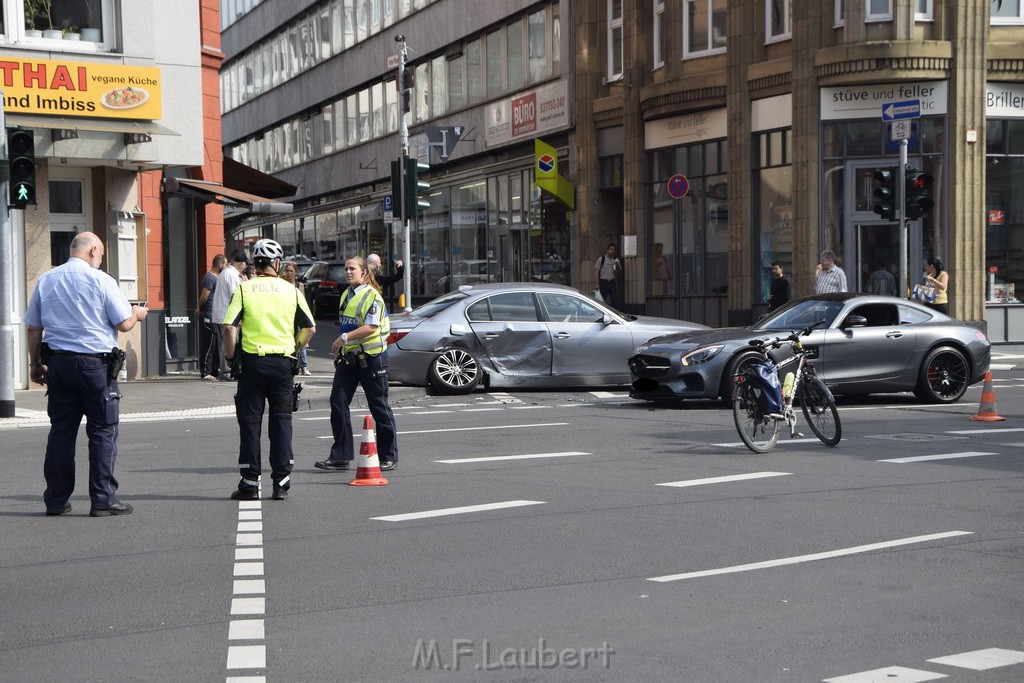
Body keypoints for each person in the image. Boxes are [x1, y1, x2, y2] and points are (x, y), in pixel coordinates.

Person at [24, 232, 149, 517]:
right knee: (103, 432)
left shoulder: (46, 279)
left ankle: (56, 500)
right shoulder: (102, 280)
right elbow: (123, 324)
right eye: (101, 254)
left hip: (59, 365)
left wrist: (35, 364)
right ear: (93, 250)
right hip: (96, 368)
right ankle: (103, 499)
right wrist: (136, 314)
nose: (100, 259)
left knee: (61, 432)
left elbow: (33, 328)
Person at [223, 239, 316, 501]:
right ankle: (281, 482)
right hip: (282, 364)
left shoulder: (244, 289)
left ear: (255, 263)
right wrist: (295, 348)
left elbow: (229, 327)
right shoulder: (292, 291)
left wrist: (230, 358)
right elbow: (310, 327)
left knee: (251, 423)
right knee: (281, 421)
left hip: (253, 364)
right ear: (276, 263)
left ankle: (250, 483)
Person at [315, 256, 399, 473]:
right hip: (350, 358)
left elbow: (370, 328)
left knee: (379, 406)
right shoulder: (346, 294)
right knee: (337, 402)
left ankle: (388, 455)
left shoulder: (372, 296)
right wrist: (341, 349)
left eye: (352, 268)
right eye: (346, 269)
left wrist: (342, 340)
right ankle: (341, 456)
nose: (348, 272)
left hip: (372, 358)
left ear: (364, 272)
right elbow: (346, 326)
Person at [210, 250, 247, 380]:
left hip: (221, 314)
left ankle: (225, 371)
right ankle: (226, 371)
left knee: (223, 344)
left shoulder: (225, 272)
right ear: (241, 264)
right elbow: (236, 295)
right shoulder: (232, 274)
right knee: (228, 343)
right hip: (228, 315)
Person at [196, 254, 226, 381]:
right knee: (208, 344)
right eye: (225, 264)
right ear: (220, 265)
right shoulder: (209, 278)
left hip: (215, 316)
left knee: (214, 344)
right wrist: (199, 307)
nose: (225, 266)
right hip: (208, 315)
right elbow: (204, 297)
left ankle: (214, 371)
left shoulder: (217, 278)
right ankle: (205, 372)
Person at [280, 261, 311, 375]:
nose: (289, 273)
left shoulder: (299, 285)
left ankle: (304, 366)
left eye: (291, 271)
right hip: (286, 315)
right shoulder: (281, 284)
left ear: (295, 273)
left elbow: (303, 302)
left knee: (300, 341)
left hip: (297, 315)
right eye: (287, 270)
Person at [594, 243, 621, 307]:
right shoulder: (602, 259)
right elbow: (596, 271)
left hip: (612, 281)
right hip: (604, 281)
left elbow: (619, 272)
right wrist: (597, 283)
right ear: (607, 250)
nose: (612, 251)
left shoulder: (615, 260)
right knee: (602, 300)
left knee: (615, 301)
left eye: (613, 250)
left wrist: (618, 265)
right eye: (611, 249)